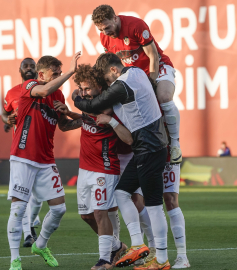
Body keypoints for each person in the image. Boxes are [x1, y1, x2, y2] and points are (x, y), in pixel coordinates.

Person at [73, 53, 170, 270]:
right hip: (147, 149)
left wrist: (75, 97)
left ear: (115, 71)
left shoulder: (122, 84)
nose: (109, 85)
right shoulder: (137, 72)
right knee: (122, 193)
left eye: (108, 80)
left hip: (149, 148)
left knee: (153, 207)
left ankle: (161, 259)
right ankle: (137, 244)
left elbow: (96, 104)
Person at [7, 52, 81, 270]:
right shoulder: (30, 85)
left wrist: (81, 118)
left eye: (60, 73)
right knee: (18, 210)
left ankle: (40, 245)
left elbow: (64, 125)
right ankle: (14, 260)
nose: (59, 77)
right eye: (55, 73)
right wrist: (70, 71)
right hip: (23, 157)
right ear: (41, 74)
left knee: (59, 209)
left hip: (46, 160)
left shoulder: (58, 96)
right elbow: (44, 90)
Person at [55, 63, 133, 269]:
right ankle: (117, 246)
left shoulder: (113, 108)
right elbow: (87, 118)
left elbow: (129, 139)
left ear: (100, 86)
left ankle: (105, 260)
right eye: (81, 88)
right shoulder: (88, 105)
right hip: (85, 169)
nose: (83, 92)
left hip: (105, 169)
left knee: (100, 213)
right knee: (86, 216)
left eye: (87, 88)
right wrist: (71, 113)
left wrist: (112, 122)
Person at [92, 4, 182, 165]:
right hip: (135, 79)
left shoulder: (135, 25)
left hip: (157, 68)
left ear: (115, 18)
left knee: (164, 97)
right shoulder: (105, 38)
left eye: (107, 27)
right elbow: (112, 65)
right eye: (101, 30)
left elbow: (153, 56)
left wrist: (151, 84)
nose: (105, 33)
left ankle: (175, 144)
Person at [2, 57, 43, 248]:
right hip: (20, 151)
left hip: (41, 149)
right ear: (20, 69)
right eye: (25, 66)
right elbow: (5, 113)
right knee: (23, 196)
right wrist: (7, 120)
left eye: (31, 66)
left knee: (38, 197)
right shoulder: (12, 92)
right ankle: (28, 234)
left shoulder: (42, 89)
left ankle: (32, 222)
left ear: (37, 70)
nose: (29, 69)